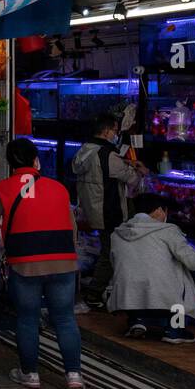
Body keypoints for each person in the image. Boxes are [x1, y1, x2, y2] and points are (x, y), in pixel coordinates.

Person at [0, 137, 86, 389]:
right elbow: (72, 228)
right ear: (36, 160)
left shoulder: (3, 188)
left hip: (25, 263)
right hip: (62, 261)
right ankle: (74, 375)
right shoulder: (59, 188)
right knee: (65, 318)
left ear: (11, 164)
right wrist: (68, 255)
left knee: (28, 318)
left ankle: (30, 373)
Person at [110, 192, 195, 344]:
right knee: (183, 274)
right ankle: (174, 330)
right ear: (159, 210)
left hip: (127, 296)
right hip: (163, 294)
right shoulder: (168, 230)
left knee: (134, 274)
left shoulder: (118, 233)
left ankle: (137, 320)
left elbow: (115, 264)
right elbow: (194, 262)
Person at [71, 112, 147, 309]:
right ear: (106, 131)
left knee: (107, 251)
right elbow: (132, 180)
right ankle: (96, 294)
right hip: (109, 211)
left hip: (93, 210)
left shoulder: (85, 150)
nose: (116, 133)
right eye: (115, 130)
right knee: (111, 254)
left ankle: (102, 291)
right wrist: (140, 171)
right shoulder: (107, 155)